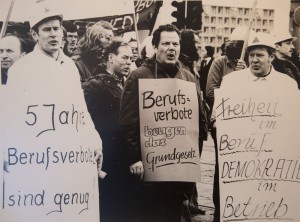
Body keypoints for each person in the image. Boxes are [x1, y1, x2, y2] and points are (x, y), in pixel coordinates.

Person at [120, 24, 207, 222]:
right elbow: (128, 122)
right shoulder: (139, 76)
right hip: (150, 168)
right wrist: (134, 158)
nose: (171, 48)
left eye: (175, 44)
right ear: (155, 46)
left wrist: (193, 161)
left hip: (179, 168)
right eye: (166, 43)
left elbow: (197, 123)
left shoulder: (188, 78)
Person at [82, 39, 135, 222]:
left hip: (122, 159)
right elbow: (81, 117)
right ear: (111, 58)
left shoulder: (125, 82)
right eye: (125, 57)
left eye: (131, 58)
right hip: (107, 158)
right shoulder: (95, 84)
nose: (129, 62)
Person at [205, 26, 250, 222]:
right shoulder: (219, 63)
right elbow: (210, 92)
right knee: (223, 168)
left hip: (245, 124)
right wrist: (233, 79)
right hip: (223, 123)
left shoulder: (249, 64)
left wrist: (246, 74)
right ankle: (219, 211)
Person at [179, 28, 206, 215]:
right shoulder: (182, 65)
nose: (200, 47)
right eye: (196, 43)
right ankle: (186, 206)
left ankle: (192, 204)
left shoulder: (191, 65)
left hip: (197, 122)